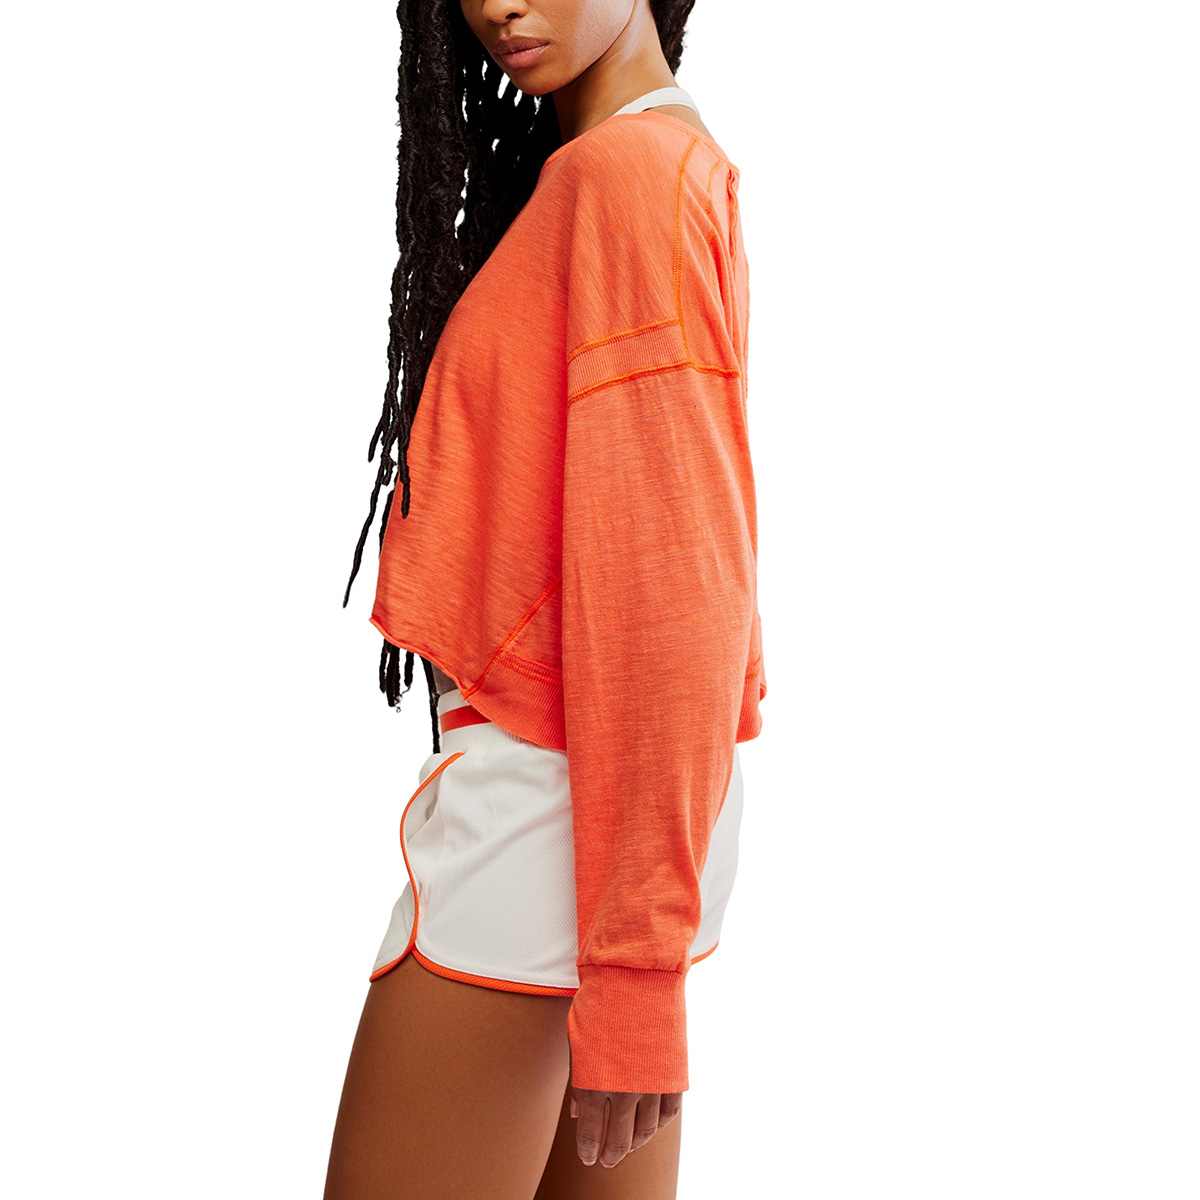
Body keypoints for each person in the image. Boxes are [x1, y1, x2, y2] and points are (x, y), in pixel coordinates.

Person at [324, 1, 767, 1195]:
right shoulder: (654, 162)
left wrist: (635, 976)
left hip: (561, 822)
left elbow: (672, 588)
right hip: (622, 831)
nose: (497, 4)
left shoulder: (625, 179)